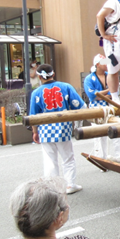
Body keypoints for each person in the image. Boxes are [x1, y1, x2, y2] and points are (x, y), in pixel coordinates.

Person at [29, 64, 85, 195]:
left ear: (39, 76)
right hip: (63, 127)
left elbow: (33, 115)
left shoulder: (36, 93)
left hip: (44, 129)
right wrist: (78, 124)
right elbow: (80, 106)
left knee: (50, 159)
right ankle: (70, 184)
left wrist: (35, 132)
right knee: (68, 158)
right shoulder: (66, 87)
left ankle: (52, 187)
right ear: (53, 74)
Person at [83, 54, 111, 159]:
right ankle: (100, 157)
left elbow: (115, 92)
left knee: (110, 132)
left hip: (109, 107)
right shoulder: (89, 79)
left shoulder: (110, 75)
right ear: (98, 64)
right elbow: (93, 95)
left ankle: (114, 156)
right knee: (98, 133)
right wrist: (108, 91)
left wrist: (101, 95)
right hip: (95, 108)